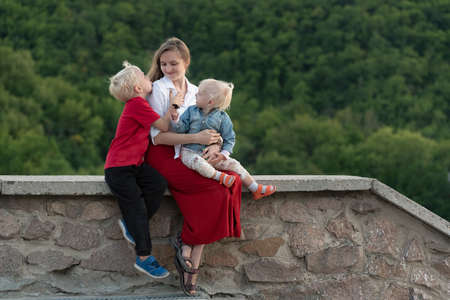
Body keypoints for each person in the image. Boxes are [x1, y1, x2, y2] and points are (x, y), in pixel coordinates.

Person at [144, 37, 242, 296]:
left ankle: (189, 257)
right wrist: (196, 139)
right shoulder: (157, 90)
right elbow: (158, 136)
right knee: (217, 190)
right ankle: (186, 244)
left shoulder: (201, 90)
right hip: (164, 154)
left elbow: (215, 127)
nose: (167, 68)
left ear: (186, 62)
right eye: (163, 64)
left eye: (173, 63)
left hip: (193, 153)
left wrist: (216, 145)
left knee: (231, 180)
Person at [104, 61, 177, 279]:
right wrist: (173, 105)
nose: (149, 79)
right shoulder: (137, 104)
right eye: (145, 77)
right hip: (119, 169)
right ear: (137, 88)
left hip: (134, 165)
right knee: (135, 206)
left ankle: (131, 224)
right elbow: (163, 126)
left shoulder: (138, 103)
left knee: (157, 184)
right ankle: (144, 258)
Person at [174, 78, 276, 199]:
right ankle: (220, 177)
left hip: (212, 156)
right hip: (190, 153)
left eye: (200, 93)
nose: (196, 94)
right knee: (198, 163)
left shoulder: (222, 117)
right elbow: (180, 130)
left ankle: (255, 188)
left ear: (210, 101)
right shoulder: (191, 111)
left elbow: (229, 139)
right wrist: (176, 120)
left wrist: (223, 154)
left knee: (234, 164)